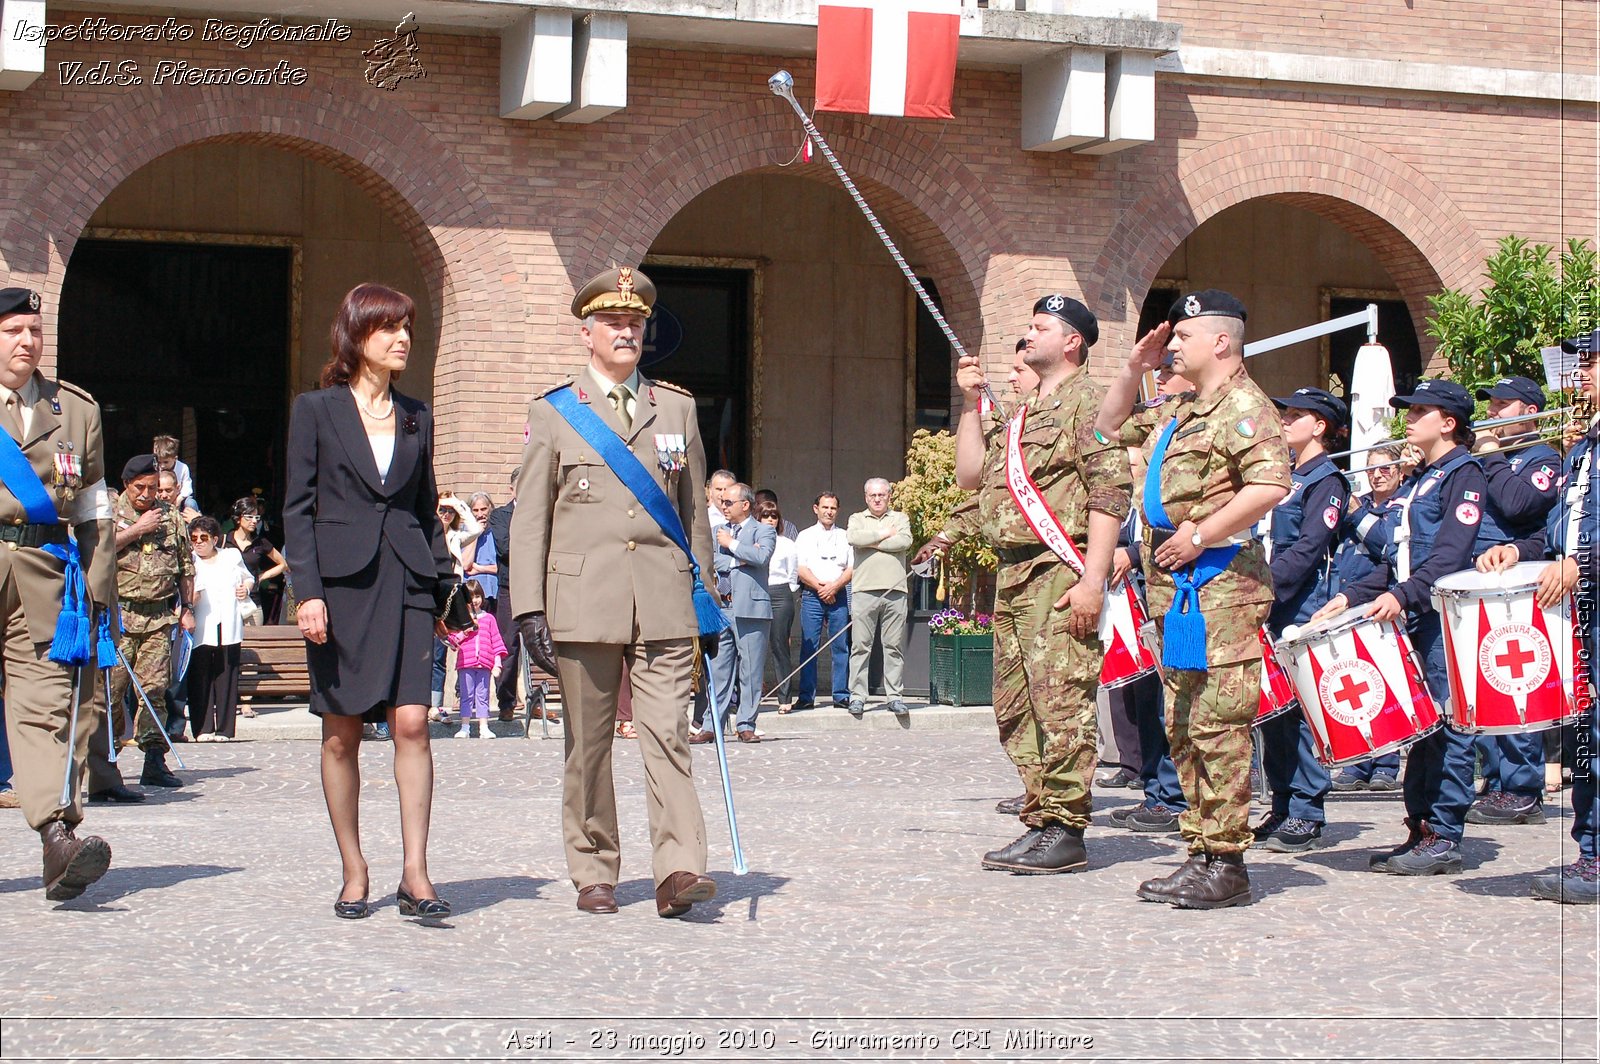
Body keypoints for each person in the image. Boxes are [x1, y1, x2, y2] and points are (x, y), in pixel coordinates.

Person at [511, 266, 719, 919]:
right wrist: (527, 608)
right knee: (589, 743)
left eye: (635, 323)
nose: (626, 332)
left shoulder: (677, 409)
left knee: (667, 736)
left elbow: (693, 516)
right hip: (582, 602)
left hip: (663, 600)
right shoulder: (553, 412)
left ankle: (679, 867)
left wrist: (706, 599)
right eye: (613, 322)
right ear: (587, 332)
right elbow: (530, 518)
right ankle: (594, 866)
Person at [920, 293, 1132, 874]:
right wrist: (969, 407)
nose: (1029, 333)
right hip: (1011, 571)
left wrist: (1092, 579)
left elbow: (1109, 492)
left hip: (1056, 569)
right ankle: (1041, 817)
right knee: (1017, 704)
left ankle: (1066, 825)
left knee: (1060, 700)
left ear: (1072, 342)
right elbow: (969, 477)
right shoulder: (1020, 412)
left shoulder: (1090, 403)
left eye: (1041, 327)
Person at [1095, 290, 1291, 908]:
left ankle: (1228, 863)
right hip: (1174, 590)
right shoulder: (1182, 406)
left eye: (1183, 336)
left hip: (1220, 586)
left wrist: (1201, 532)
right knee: (1181, 725)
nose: (1173, 345)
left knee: (1218, 727)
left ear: (1222, 343)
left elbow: (1270, 483)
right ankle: (1200, 850)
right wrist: (1133, 367)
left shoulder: (1244, 405)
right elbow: (1105, 425)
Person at [283, 282, 456, 921]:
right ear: (357, 336)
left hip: (409, 580)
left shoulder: (418, 414)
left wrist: (444, 586)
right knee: (342, 733)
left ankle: (416, 872)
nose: (403, 338)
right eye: (389, 328)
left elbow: (422, 508)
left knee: (412, 722)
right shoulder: (316, 409)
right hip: (341, 586)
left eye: (407, 327)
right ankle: (354, 868)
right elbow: (297, 509)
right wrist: (308, 593)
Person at [1312, 379, 1490, 876]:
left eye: (1419, 412)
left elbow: (1450, 557)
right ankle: (1419, 827)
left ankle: (1445, 835)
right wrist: (1353, 596)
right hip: (1415, 616)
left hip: (1444, 621)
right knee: (1422, 732)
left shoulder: (1463, 475)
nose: (1408, 420)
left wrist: (1400, 596)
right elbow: (1397, 559)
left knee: (1452, 728)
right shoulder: (1420, 480)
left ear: (1448, 423)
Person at [0, 286, 118, 898]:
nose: (26, 342)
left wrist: (97, 590)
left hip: (45, 575)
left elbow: (96, 508)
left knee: (45, 707)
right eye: (12, 331)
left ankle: (55, 837)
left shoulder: (74, 411)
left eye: (33, 331)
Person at [1478, 329, 1599, 903]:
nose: (1584, 375)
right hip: (1583, 608)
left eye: (1594, 363)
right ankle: (1592, 853)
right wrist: (1521, 553)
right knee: (1590, 740)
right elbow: (1557, 533)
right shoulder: (1583, 449)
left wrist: (1582, 565)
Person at [1253, 388, 1350, 853]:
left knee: (1302, 712)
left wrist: (1265, 589)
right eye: (1285, 412)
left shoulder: (1325, 481)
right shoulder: (1282, 476)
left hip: (1298, 604)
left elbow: (1310, 549)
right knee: (1274, 712)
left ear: (1320, 427)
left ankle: (1308, 809)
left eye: (1297, 415)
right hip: (1268, 601)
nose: (1286, 420)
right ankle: (1283, 800)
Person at [1466, 376, 1562, 827]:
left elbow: (1519, 502)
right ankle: (1498, 778)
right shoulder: (1491, 457)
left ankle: (1522, 785)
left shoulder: (1542, 458)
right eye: (1491, 406)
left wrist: (1491, 455)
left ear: (1527, 409)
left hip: (1515, 586)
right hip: (1478, 580)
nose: (1492, 414)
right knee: (1484, 684)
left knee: (1511, 680)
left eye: (1502, 406)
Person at [84, 454, 195, 795]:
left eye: (152, 487)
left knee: (153, 691)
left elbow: (184, 567)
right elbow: (99, 551)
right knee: (110, 692)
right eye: (140, 488)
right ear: (127, 484)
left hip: (158, 617)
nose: (147, 494)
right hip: (118, 617)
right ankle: (106, 760)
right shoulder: (111, 514)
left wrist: (187, 606)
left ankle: (153, 760)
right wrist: (137, 530)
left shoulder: (172, 518)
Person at [1328, 443, 1406, 791]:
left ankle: (1386, 762)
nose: (1377, 475)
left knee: (1381, 684)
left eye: (1386, 468)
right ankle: (1358, 759)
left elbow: (1385, 545)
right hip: (1344, 597)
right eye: (1371, 468)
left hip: (1380, 600)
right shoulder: (1355, 504)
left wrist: (1359, 516)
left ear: (1400, 471)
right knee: (1352, 686)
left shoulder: (1400, 506)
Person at [709, 483, 774, 741]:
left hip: (751, 608)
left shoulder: (763, 531)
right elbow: (712, 561)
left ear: (745, 505)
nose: (723, 506)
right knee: (719, 670)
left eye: (728, 502)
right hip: (723, 606)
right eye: (721, 501)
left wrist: (732, 544)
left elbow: (762, 558)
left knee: (750, 670)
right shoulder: (717, 531)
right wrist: (740, 559)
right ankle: (711, 724)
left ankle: (746, 723)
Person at [845, 479, 913, 718]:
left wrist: (872, 541)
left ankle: (894, 696)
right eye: (872, 495)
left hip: (896, 591)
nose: (877, 499)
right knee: (860, 646)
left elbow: (904, 541)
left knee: (893, 646)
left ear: (889, 496)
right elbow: (854, 538)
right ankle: (857, 696)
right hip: (864, 591)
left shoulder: (900, 518)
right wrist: (884, 534)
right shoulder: (856, 519)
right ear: (866, 497)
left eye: (881, 495)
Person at [185, 516, 253, 741]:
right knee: (200, 677)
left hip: (229, 623)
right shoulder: (190, 560)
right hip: (203, 625)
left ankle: (225, 728)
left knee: (226, 675)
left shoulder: (230, 556)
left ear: (215, 539)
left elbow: (248, 578)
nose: (198, 542)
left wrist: (246, 588)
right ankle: (203, 728)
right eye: (194, 538)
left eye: (203, 538)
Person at [793, 492, 853, 711]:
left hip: (838, 595)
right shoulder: (805, 536)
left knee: (840, 646)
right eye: (825, 507)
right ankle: (806, 696)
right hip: (812, 595)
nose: (829, 512)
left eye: (833, 508)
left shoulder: (846, 536)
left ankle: (841, 695)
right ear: (815, 508)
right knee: (810, 646)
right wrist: (821, 588)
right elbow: (800, 568)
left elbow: (851, 568)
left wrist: (834, 587)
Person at [431, 494, 482, 719]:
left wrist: (458, 505)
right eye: (442, 509)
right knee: (424, 653)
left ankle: (436, 706)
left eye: (449, 511)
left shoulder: (454, 536)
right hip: (429, 594)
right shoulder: (424, 534)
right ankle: (419, 705)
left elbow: (475, 529)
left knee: (439, 655)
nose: (446, 514)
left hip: (449, 597)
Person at [448, 580, 508, 739]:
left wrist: (497, 663)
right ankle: (465, 726)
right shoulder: (460, 620)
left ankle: (484, 726)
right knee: (466, 695)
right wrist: (465, 632)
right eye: (471, 597)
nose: (475, 600)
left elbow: (496, 641)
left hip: (484, 664)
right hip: (465, 664)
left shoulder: (489, 619)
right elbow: (452, 641)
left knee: (483, 695)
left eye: (478, 596)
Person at [761, 500, 801, 712]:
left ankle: (785, 698)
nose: (770, 520)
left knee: (780, 646)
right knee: (753, 647)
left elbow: (793, 573)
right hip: (758, 591)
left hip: (780, 591)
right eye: (766, 516)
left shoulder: (787, 543)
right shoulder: (751, 540)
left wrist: (789, 590)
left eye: (773, 516)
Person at [228, 497, 287, 632]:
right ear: (238, 518)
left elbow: (282, 564)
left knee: (254, 644)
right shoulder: (225, 540)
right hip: (228, 602)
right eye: (249, 517)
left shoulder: (260, 542)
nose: (254, 521)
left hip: (253, 602)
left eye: (257, 517)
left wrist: (261, 577)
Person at [464, 493, 500, 616]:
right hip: (472, 594)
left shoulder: (498, 531)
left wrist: (480, 568)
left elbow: (502, 567)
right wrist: (476, 533)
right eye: (476, 510)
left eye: (483, 509)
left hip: (494, 593)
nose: (480, 514)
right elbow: (466, 565)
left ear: (490, 507)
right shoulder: (465, 533)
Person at [152, 434, 197, 514]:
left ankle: (191, 524)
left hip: (180, 498)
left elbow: (187, 488)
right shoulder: (155, 468)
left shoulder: (183, 468)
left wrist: (178, 500)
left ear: (175, 458)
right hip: (161, 498)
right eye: (159, 462)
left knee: (190, 503)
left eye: (166, 462)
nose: (162, 465)